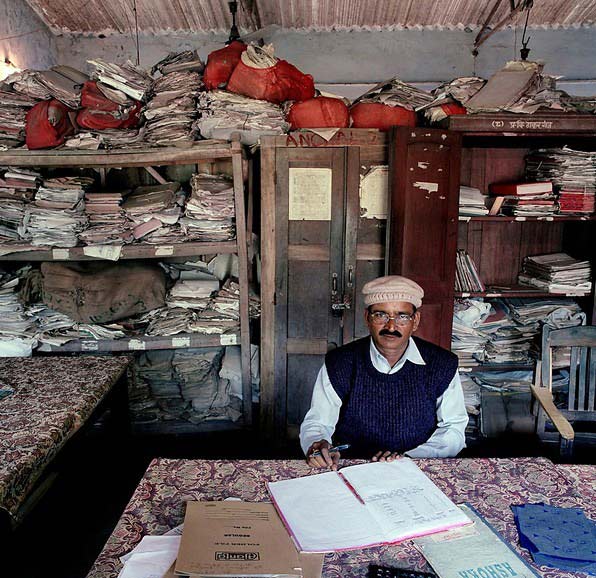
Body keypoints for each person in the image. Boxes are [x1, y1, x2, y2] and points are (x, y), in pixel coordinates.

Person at [300, 275, 468, 470]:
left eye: (402, 316)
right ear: (367, 318)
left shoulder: (441, 364)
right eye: (380, 315)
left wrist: (410, 458)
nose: (391, 326)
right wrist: (317, 444)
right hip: (352, 467)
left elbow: (454, 428)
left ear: (415, 321)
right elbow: (318, 421)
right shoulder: (341, 362)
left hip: (417, 467)